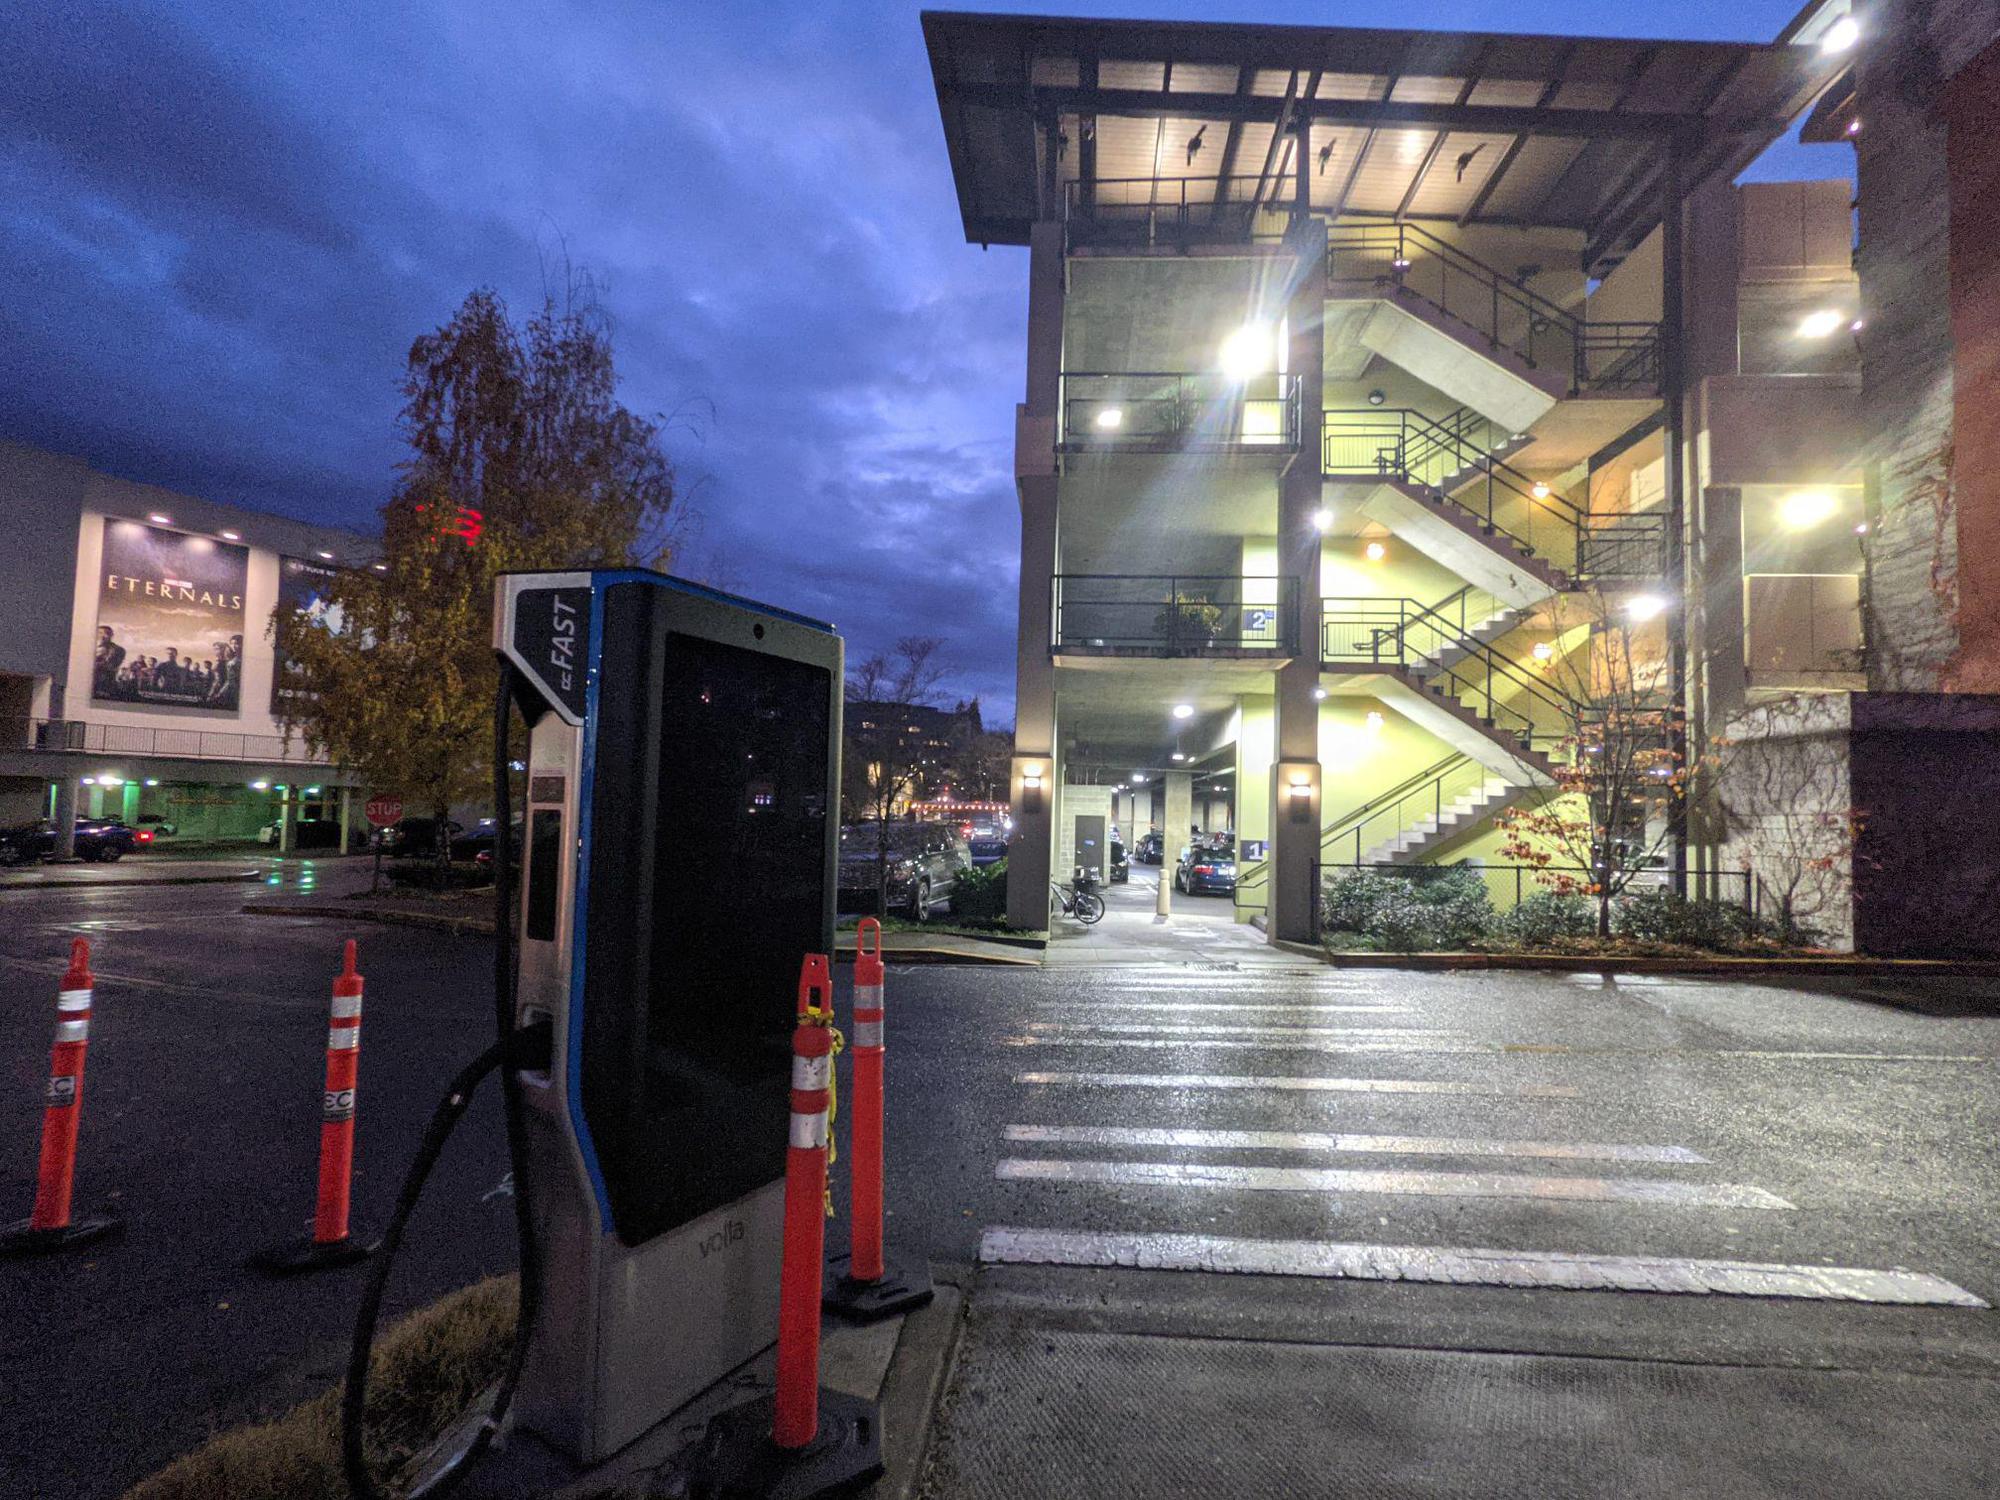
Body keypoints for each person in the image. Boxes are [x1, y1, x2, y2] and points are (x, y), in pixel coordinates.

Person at [93, 626, 126, 697]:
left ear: (111, 635)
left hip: (104, 687)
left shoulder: (118, 650)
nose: (102, 636)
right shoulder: (88, 646)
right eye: (100, 633)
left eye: (107, 633)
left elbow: (110, 666)